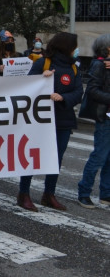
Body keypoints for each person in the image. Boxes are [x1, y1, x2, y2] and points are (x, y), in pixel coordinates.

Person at [17, 32, 82, 211]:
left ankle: (49, 194)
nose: (76, 50)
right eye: (74, 46)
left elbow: (78, 93)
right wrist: (41, 78)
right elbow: (26, 87)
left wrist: (63, 97)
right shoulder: (42, 63)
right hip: (40, 120)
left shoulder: (74, 67)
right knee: (32, 155)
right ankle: (24, 194)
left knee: (56, 159)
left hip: (63, 120)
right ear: (65, 46)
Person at [77, 34, 110, 208]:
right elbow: (92, 91)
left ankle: (106, 193)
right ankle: (84, 192)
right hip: (105, 117)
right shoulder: (99, 65)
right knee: (99, 156)